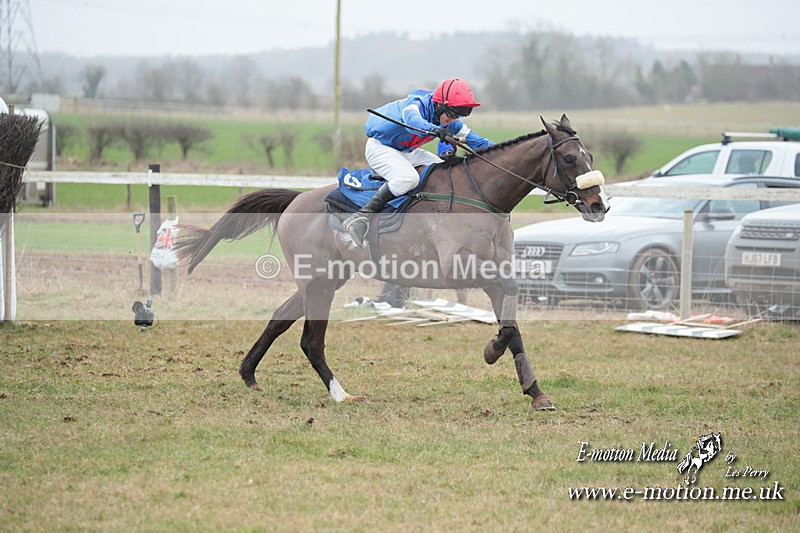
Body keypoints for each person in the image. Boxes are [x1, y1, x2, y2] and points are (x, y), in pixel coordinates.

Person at [343, 78, 494, 247]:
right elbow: (412, 120)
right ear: (440, 105)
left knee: (446, 172)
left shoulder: (449, 119)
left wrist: (507, 150)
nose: (453, 120)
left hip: (407, 152)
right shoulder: (417, 104)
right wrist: (434, 129)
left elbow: (479, 142)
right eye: (451, 115)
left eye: (457, 116)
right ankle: (360, 217)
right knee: (409, 178)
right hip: (380, 148)